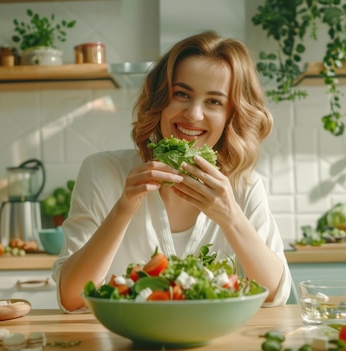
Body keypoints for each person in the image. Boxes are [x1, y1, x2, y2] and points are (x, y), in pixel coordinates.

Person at [52, 30, 292, 312]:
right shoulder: (103, 172)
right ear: (160, 100)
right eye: (181, 94)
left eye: (214, 101)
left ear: (232, 115)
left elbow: (276, 296)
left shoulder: (243, 186)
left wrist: (229, 216)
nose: (193, 114)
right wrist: (124, 208)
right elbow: (71, 298)